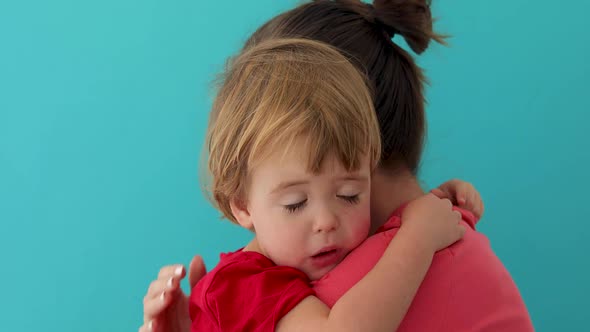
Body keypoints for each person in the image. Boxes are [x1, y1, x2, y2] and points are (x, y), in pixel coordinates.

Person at [140, 0, 533, 331]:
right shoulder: (248, 282)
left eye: (349, 194)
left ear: (368, 147)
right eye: (295, 202)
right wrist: (418, 235)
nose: (325, 221)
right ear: (241, 204)